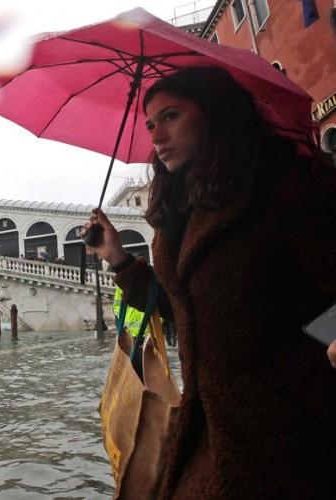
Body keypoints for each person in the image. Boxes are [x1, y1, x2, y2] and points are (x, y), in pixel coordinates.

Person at [83, 66, 336, 499]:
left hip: (291, 431)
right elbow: (183, 309)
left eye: (170, 116)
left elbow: (323, 294)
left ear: (213, 115)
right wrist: (119, 259)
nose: (156, 136)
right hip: (211, 429)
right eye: (150, 124)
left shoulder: (284, 190)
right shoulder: (176, 216)